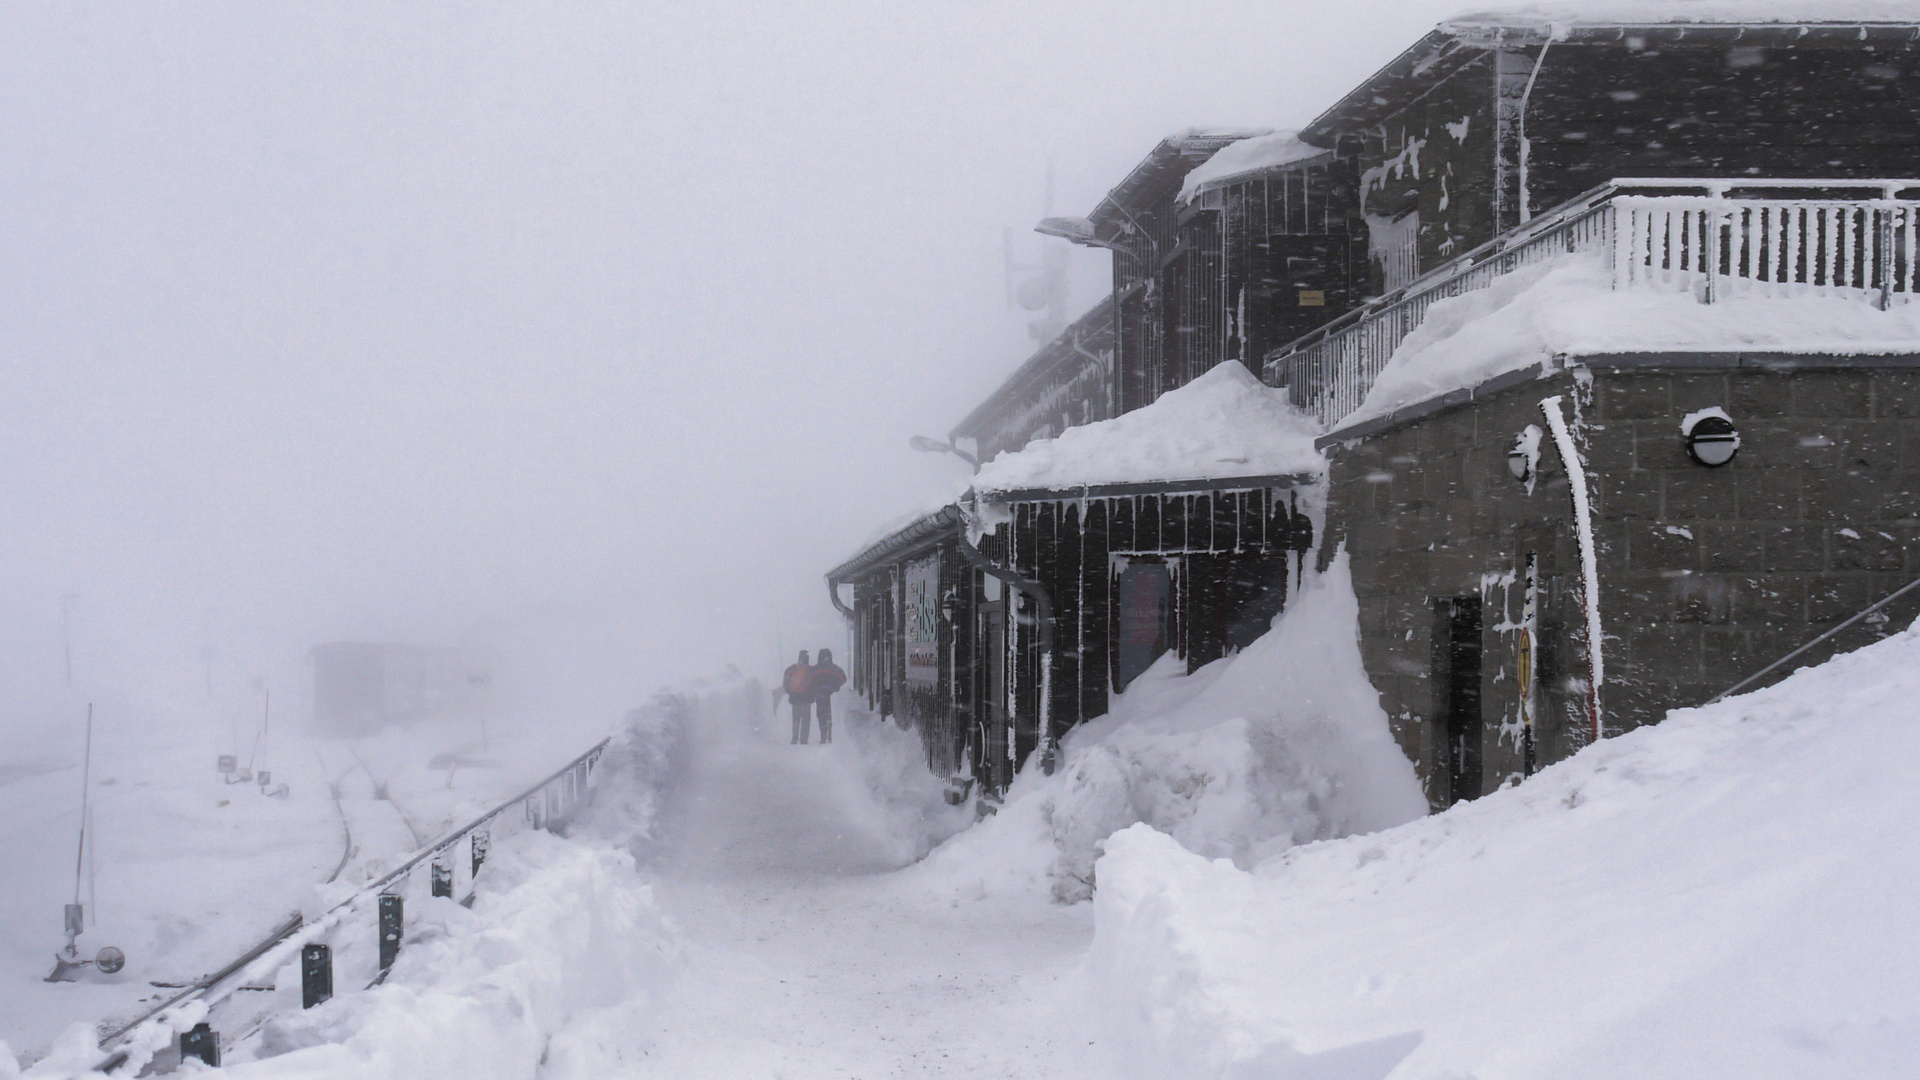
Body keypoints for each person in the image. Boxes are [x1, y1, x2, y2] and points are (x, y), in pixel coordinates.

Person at [808, 648, 847, 745]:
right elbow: (843, 680)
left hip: (820, 696)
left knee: (821, 716)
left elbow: (809, 682)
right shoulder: (835, 669)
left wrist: (813, 692)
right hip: (832, 696)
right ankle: (830, 736)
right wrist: (835, 687)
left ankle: (823, 736)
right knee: (829, 716)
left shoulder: (815, 669)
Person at [777, 650, 813, 744]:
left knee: (796, 719)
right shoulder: (811, 669)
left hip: (795, 697)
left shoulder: (792, 668)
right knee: (805, 720)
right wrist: (812, 694)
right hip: (806, 698)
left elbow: (786, 682)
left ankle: (794, 738)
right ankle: (804, 740)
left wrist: (790, 692)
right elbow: (815, 683)